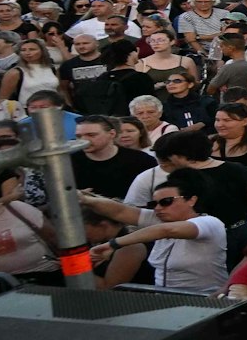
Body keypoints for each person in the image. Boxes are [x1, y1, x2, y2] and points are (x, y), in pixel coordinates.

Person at [84, 167, 228, 293]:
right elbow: (119, 211)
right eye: (154, 203)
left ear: (191, 200)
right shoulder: (160, 219)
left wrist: (114, 244)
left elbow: (167, 230)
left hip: (204, 302)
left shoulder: (209, 223)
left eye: (166, 202)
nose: (158, 208)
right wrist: (84, 199)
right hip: (166, 301)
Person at [72, 114, 156, 201]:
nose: (84, 140)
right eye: (79, 136)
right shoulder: (68, 163)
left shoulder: (141, 161)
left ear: (112, 134)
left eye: (91, 135)